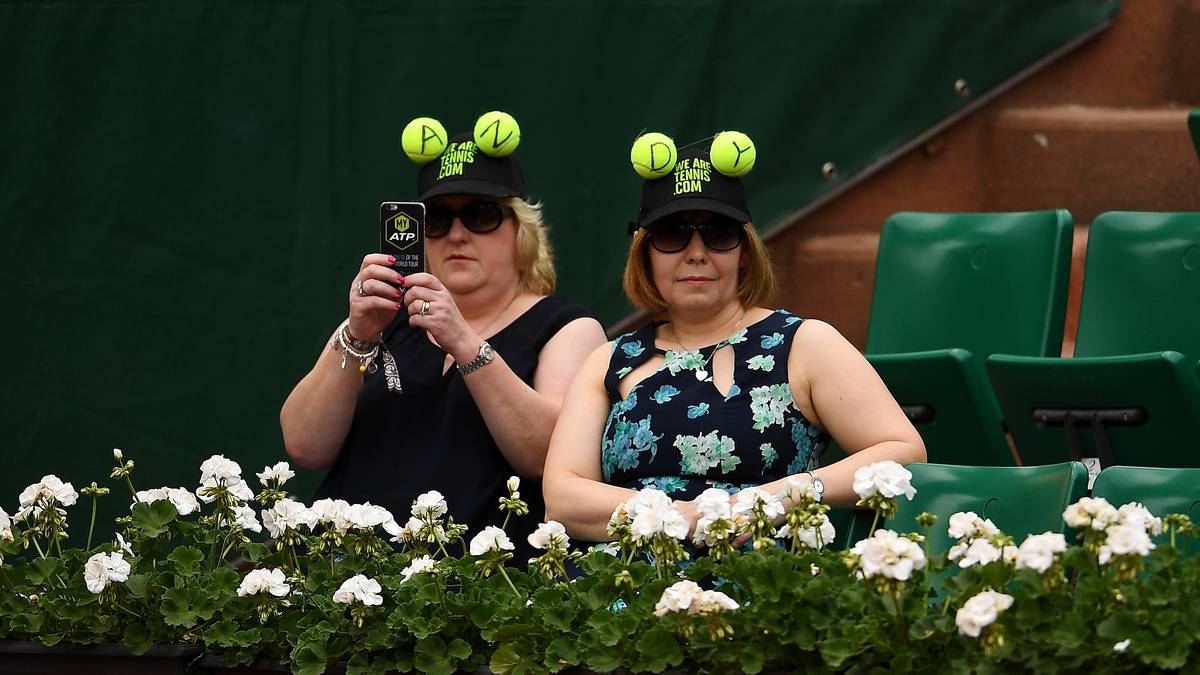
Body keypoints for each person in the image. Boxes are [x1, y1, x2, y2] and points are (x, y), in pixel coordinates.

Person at [543, 135, 925, 542]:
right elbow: (562, 500)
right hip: (628, 585)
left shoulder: (805, 343)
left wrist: (778, 498)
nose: (696, 252)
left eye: (719, 233)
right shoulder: (610, 360)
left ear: (744, 251)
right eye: (672, 235)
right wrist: (675, 516)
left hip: (758, 582)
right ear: (645, 253)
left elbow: (904, 452)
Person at [281, 118, 607, 556]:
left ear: (521, 233)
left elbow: (548, 457)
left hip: (479, 585)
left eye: (481, 215)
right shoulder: (380, 319)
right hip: (348, 576)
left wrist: (465, 343)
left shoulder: (566, 326)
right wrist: (356, 334)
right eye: (436, 219)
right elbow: (304, 444)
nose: (457, 234)